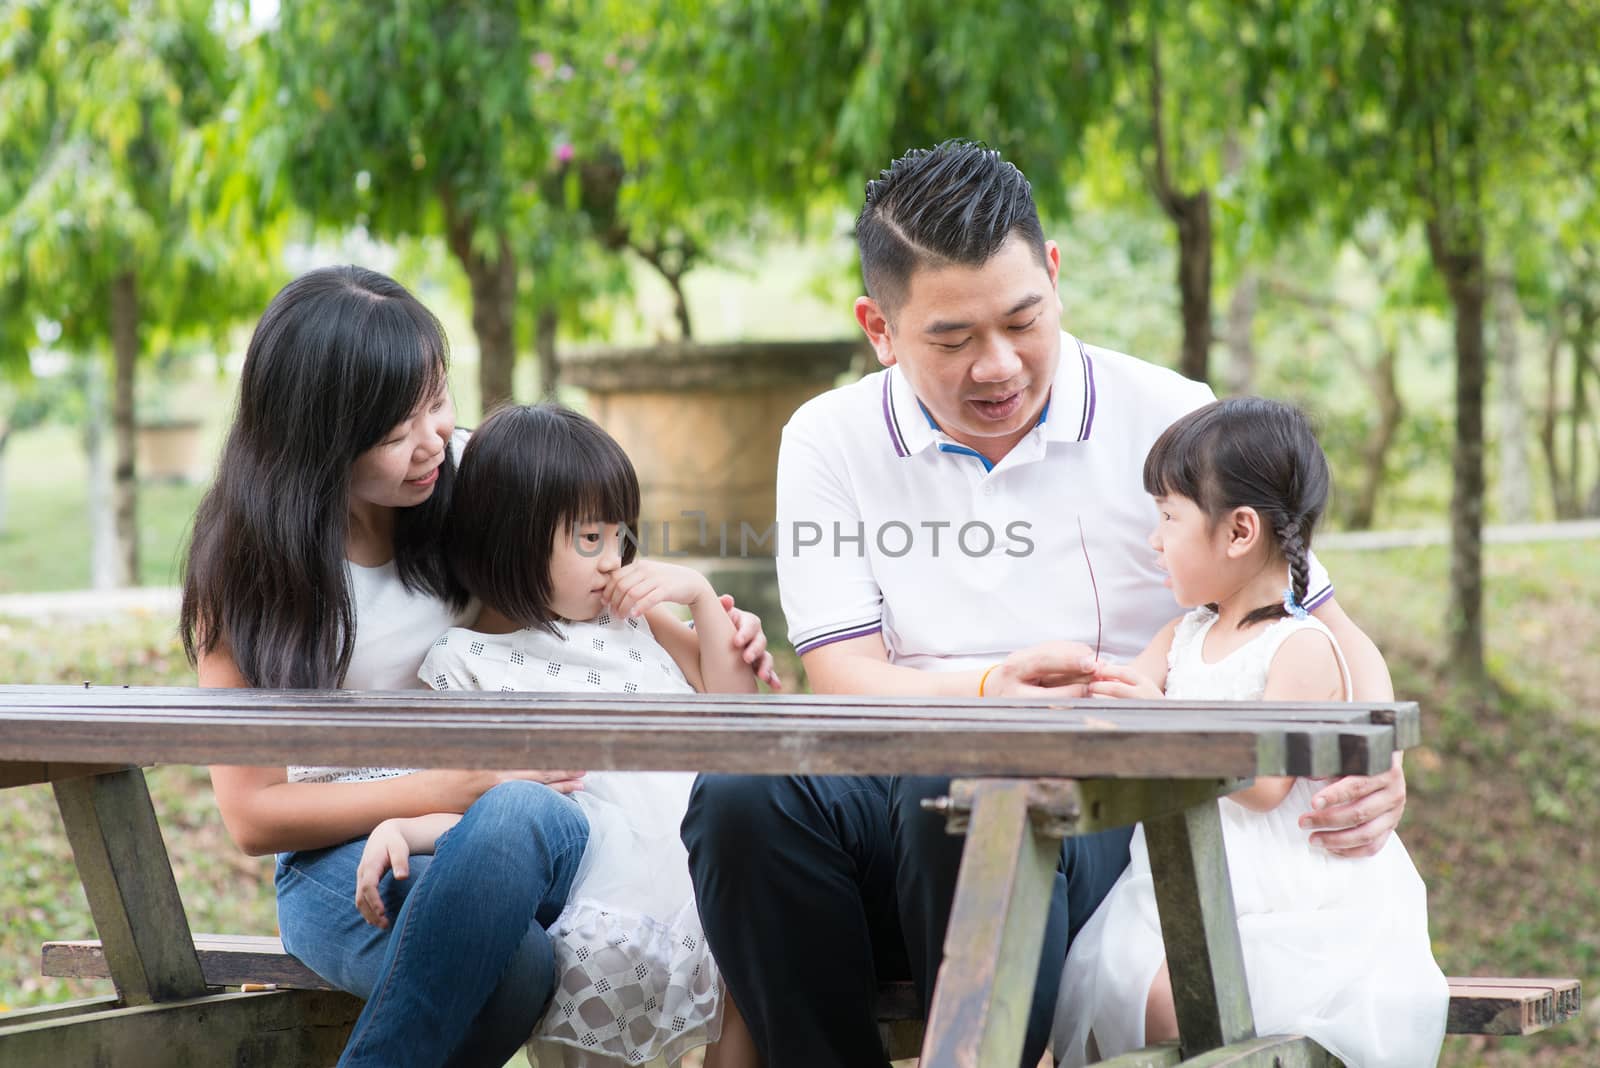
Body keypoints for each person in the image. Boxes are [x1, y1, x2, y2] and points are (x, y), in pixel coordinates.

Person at [681, 141, 1410, 1068]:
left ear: (1055, 275)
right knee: (743, 800)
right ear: (879, 327)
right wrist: (990, 691)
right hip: (898, 798)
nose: (998, 367)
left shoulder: (1171, 418)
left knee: (968, 792)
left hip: (1100, 815)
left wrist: (1371, 757)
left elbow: (1324, 625)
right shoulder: (829, 439)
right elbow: (844, 676)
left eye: (1023, 321)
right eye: (951, 340)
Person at [180, 266, 776, 1068]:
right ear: (318, 439)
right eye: (396, 431)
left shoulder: (465, 474)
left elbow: (599, 589)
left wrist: (709, 631)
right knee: (516, 967)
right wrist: (461, 783)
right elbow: (254, 818)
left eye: (437, 399)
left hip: (533, 825)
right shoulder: (251, 570)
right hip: (348, 859)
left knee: (523, 819)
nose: (433, 439)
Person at [355, 403, 760, 1068]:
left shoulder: (640, 620)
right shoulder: (464, 660)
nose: (614, 561)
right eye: (588, 540)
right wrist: (404, 828)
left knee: (753, 965)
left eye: (621, 537)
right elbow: (484, 807)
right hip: (601, 881)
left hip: (703, 858)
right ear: (511, 539)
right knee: (601, 971)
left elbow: (735, 716)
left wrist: (697, 594)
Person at [1054, 397, 1448, 1066]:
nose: (1155, 539)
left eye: (1169, 517)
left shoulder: (1300, 646)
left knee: (1169, 1007)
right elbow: (1121, 701)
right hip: (1174, 879)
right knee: (1110, 997)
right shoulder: (1183, 635)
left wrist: (1162, 721)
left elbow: (1265, 784)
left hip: (1278, 899)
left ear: (1239, 532)